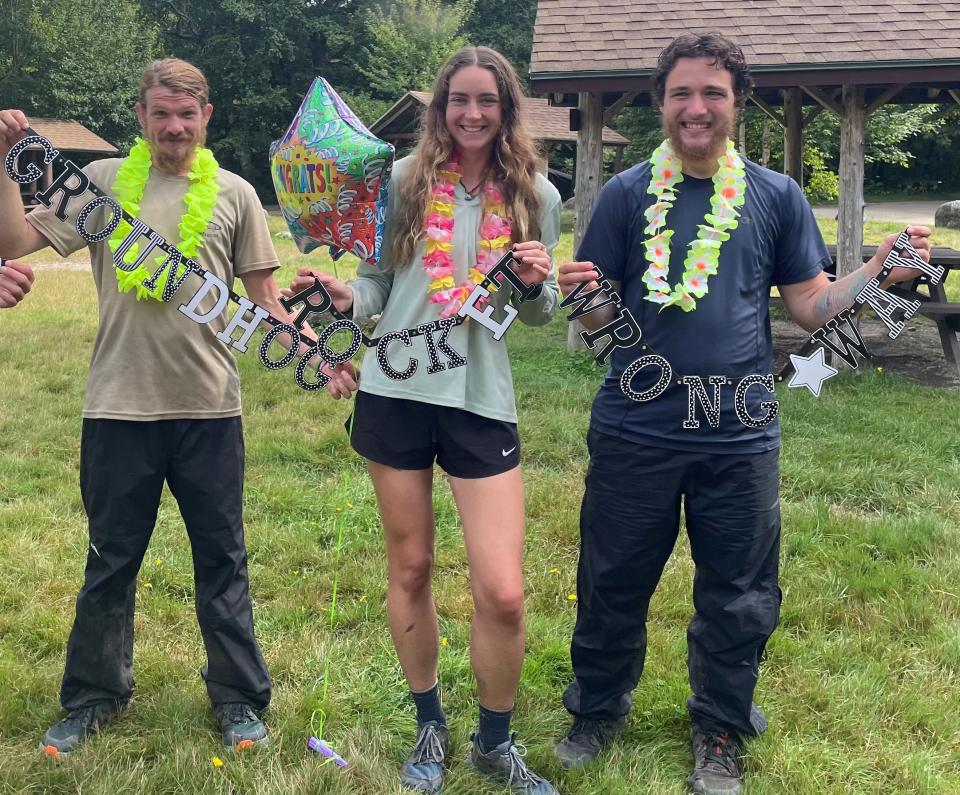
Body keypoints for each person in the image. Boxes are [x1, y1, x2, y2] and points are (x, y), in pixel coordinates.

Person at [552, 33, 932, 795]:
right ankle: (597, 705)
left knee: (740, 590)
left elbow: (813, 304)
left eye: (713, 93)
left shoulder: (776, 195)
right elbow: (596, 324)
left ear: (736, 102)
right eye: (682, 93)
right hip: (636, 427)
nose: (696, 107)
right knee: (612, 577)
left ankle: (720, 726)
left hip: (740, 432)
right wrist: (585, 298)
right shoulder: (627, 195)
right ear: (661, 102)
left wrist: (873, 272)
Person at [0, 58, 301, 757]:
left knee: (223, 559)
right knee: (110, 560)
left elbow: (268, 306)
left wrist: (319, 352)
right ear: (141, 115)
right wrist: (8, 161)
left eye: (186, 114)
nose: (174, 127)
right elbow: (11, 243)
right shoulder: (103, 182)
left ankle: (237, 699)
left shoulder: (236, 194)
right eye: (161, 113)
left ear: (206, 117)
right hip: (117, 407)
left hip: (209, 409)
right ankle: (93, 696)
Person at [289, 46, 561, 795]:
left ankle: (495, 740)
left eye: (487, 101)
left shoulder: (537, 191)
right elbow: (379, 282)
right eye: (458, 101)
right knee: (410, 566)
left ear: (507, 109)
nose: (471, 114)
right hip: (396, 391)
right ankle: (430, 723)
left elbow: (536, 317)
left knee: (502, 590)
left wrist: (538, 287)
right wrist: (347, 299)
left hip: (478, 398)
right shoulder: (405, 182)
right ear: (439, 108)